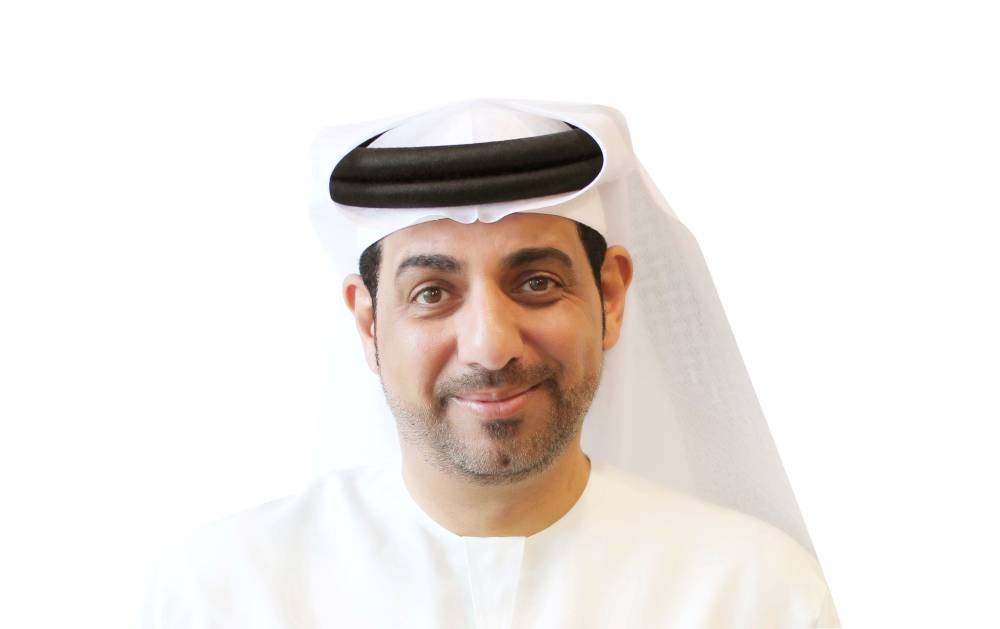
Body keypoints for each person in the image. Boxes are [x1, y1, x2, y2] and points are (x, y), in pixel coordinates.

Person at [144, 99, 841, 628]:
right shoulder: (223, 594)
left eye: (536, 282)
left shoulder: (754, 595)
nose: (490, 345)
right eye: (432, 293)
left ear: (610, 294)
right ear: (367, 321)